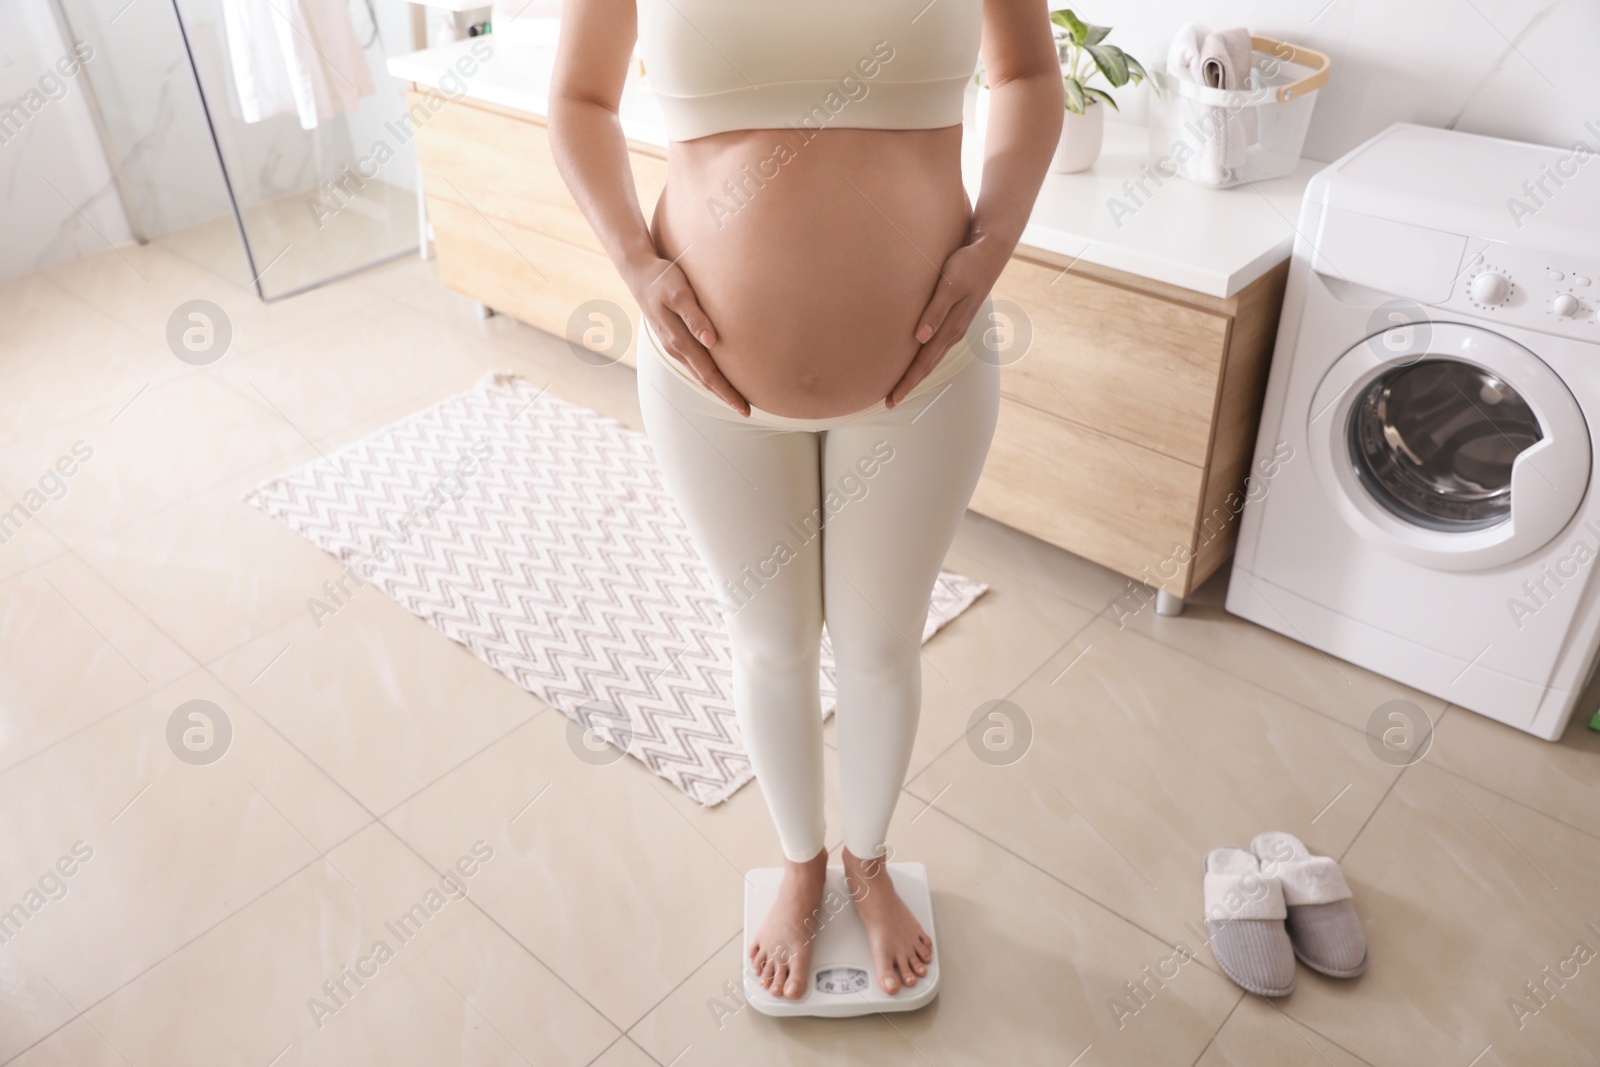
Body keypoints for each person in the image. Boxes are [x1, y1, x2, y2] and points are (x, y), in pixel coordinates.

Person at [549, 0, 1062, 1000]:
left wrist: (991, 242)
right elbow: (577, 100)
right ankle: (801, 861)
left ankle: (865, 860)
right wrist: (633, 265)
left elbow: (1031, 78)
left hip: (926, 378)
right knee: (769, 643)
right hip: (709, 385)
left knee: (879, 646)